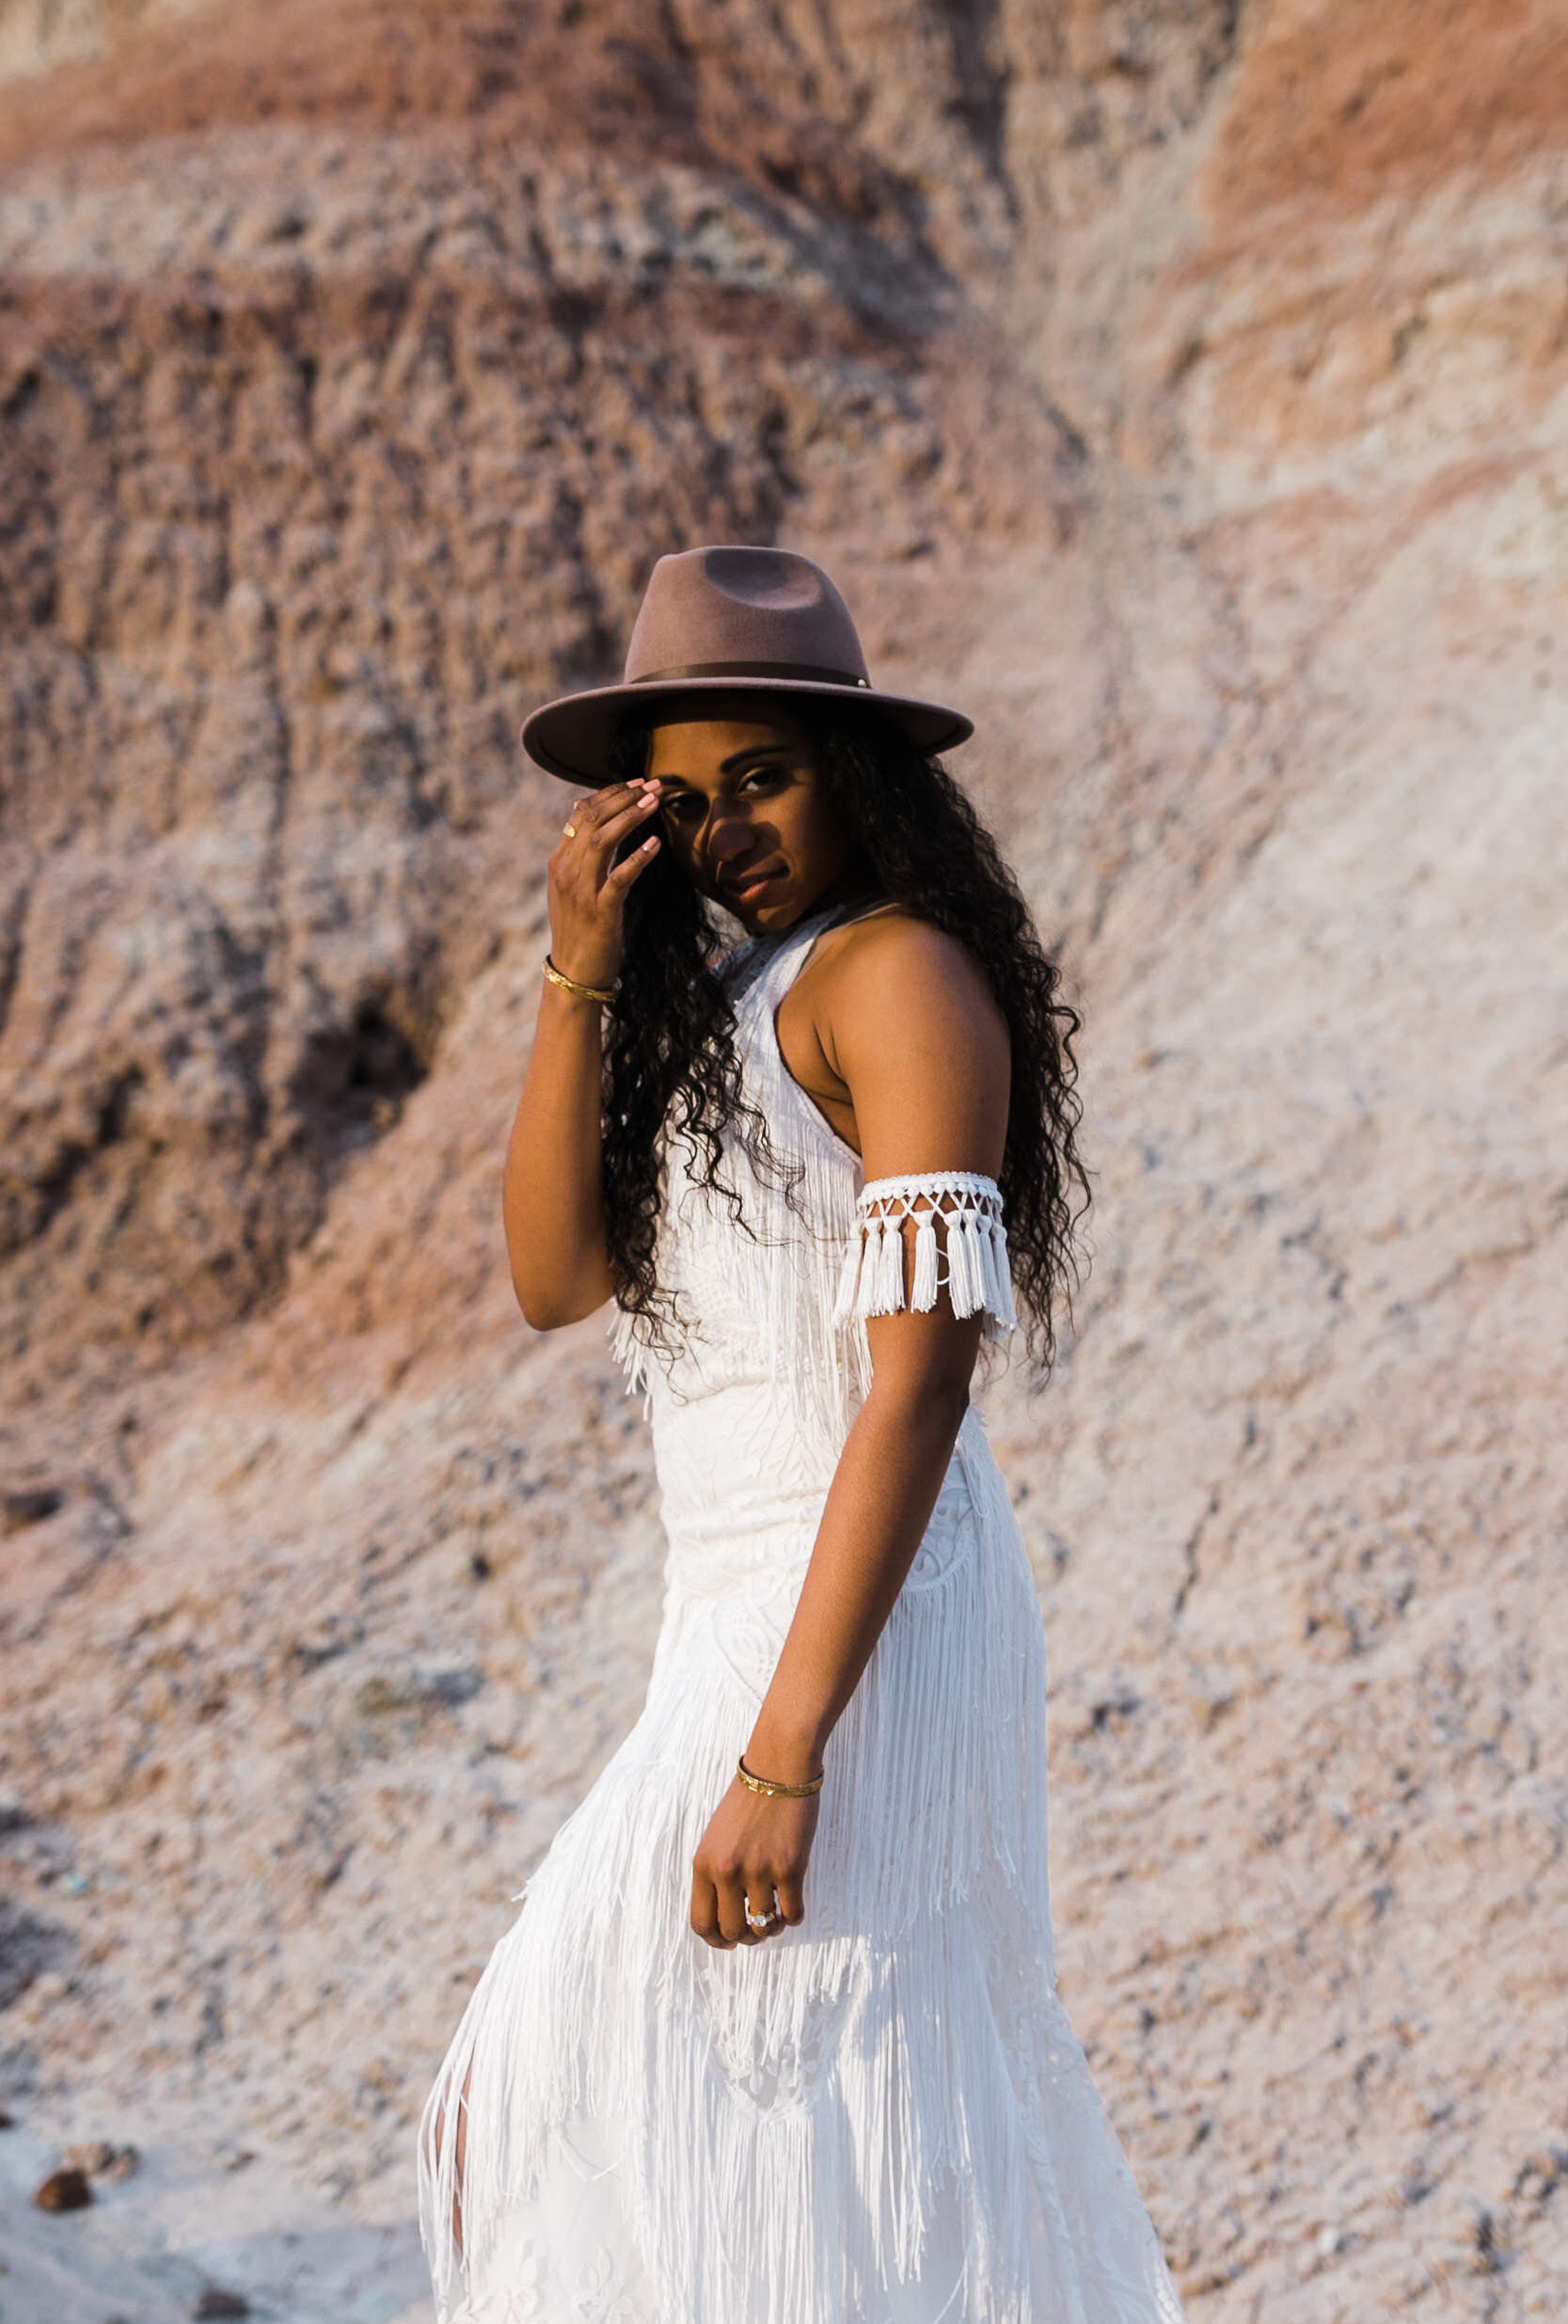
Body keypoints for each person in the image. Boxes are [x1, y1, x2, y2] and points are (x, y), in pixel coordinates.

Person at [416, 545, 1189, 2323]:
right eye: (681, 801)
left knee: (800, 2102)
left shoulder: (894, 972)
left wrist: (783, 1752)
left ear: (857, 772)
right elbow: (551, 1279)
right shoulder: (722, 1010)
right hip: (734, 1609)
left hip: (862, 1621)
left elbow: (919, 1382)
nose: (726, 830)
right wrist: (578, 970)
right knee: (589, 2113)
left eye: (761, 776)